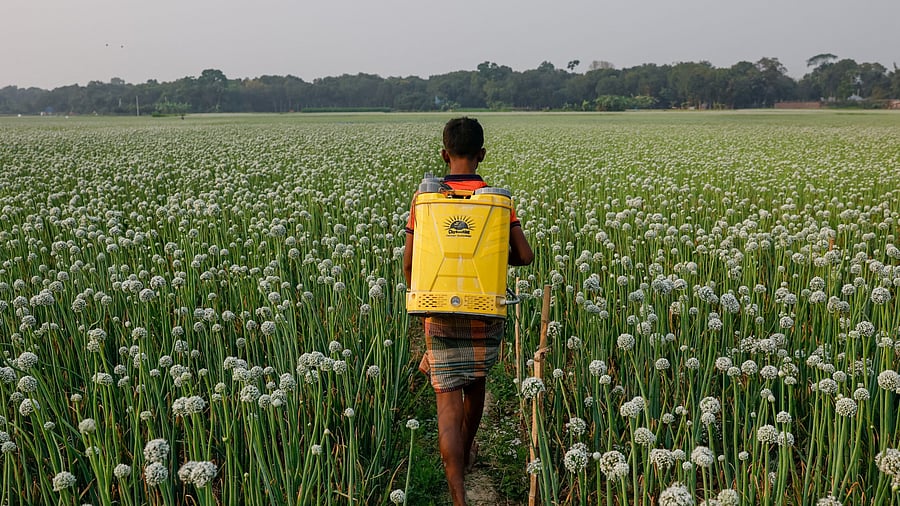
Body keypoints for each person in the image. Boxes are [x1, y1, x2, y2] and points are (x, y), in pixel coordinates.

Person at [403, 117, 534, 506]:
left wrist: (421, 295)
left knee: (446, 397)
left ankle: (458, 497)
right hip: (484, 310)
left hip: (437, 308)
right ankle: (469, 445)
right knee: (475, 385)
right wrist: (490, 254)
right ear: (482, 155)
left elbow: (410, 263)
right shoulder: (498, 201)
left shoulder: (425, 200)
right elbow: (524, 256)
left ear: (444, 155)